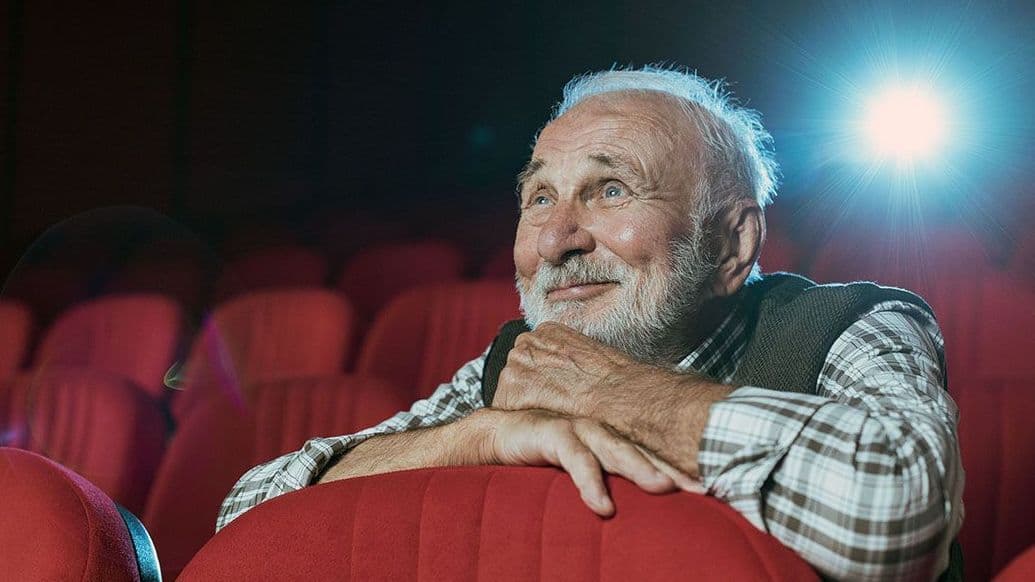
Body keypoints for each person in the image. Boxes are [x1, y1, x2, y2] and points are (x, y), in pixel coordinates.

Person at [217, 66, 963, 580]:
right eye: (539, 199)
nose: (554, 241)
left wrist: (613, 394)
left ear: (733, 244)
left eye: (610, 190)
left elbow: (896, 515)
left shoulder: (852, 325)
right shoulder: (517, 365)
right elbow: (248, 519)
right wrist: (469, 438)